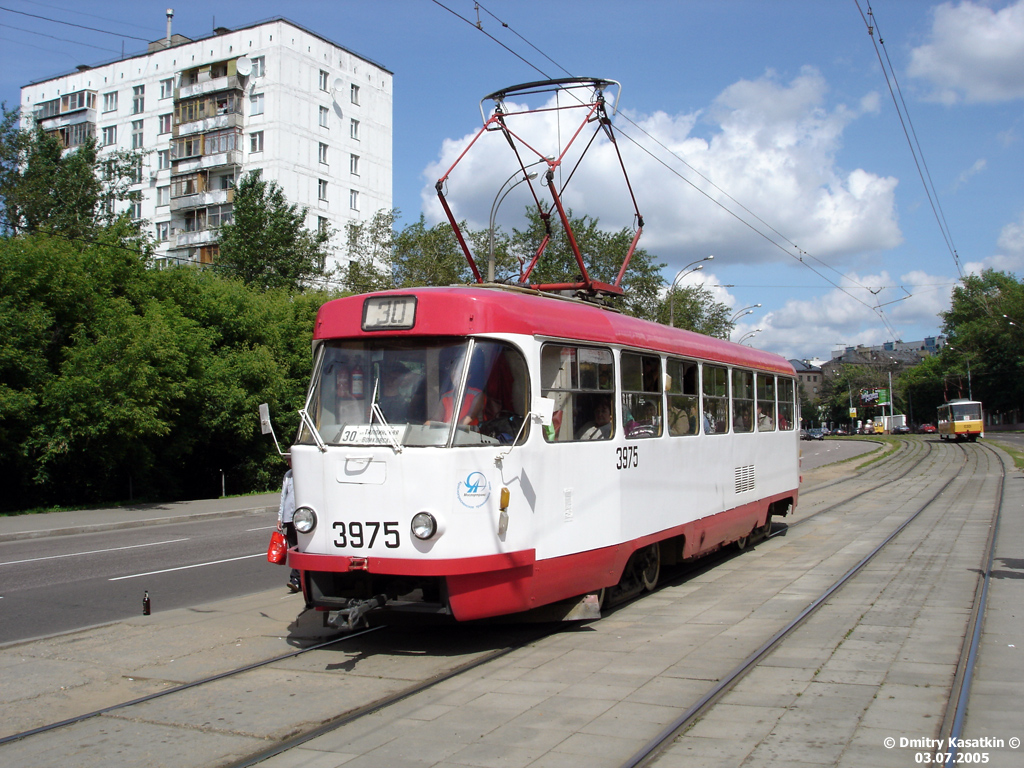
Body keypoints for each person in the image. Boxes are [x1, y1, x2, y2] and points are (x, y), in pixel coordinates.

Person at [277, 457, 300, 593]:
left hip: (303, 519)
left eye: (292, 459)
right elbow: (283, 496)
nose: (290, 463)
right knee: (293, 549)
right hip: (289, 517)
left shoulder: (305, 473)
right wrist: (280, 517)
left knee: (301, 549)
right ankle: (297, 579)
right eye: (288, 460)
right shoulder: (288, 475)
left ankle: (296, 579)